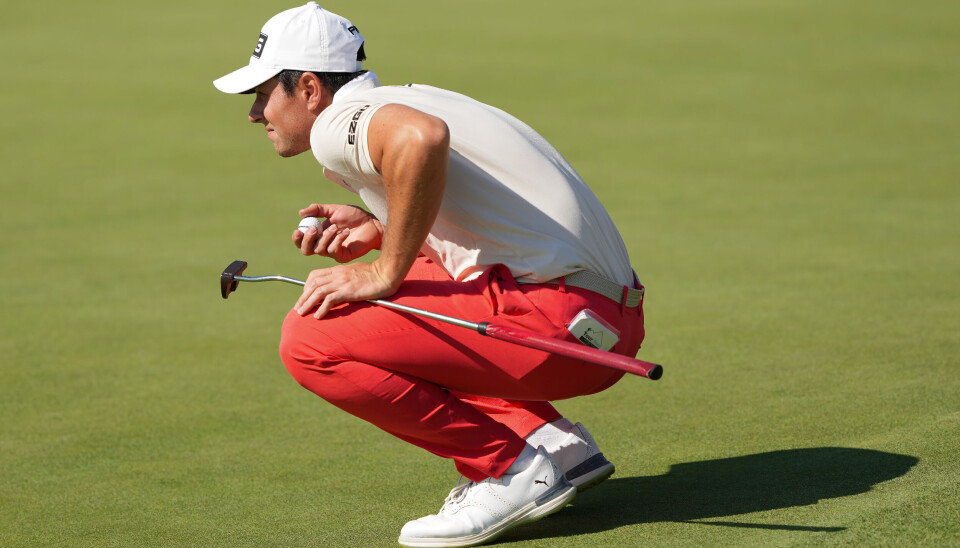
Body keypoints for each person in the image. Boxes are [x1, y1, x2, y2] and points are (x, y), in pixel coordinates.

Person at [213, 3, 647, 546]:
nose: (255, 114)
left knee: (310, 339)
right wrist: (379, 226)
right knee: (396, 289)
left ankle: (509, 469)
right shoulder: (414, 94)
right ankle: (552, 442)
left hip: (558, 326)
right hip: (606, 320)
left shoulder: (336, 124)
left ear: (308, 88)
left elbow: (420, 140)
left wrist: (385, 270)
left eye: (262, 95)